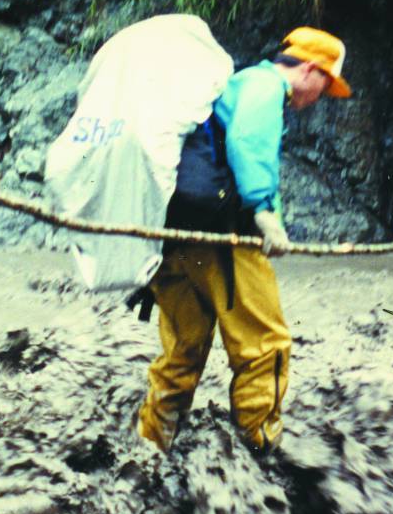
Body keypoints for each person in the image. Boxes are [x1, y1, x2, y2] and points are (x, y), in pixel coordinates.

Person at [135, 26, 352, 453]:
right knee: (266, 345)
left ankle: (151, 447)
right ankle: (259, 451)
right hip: (223, 235)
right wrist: (264, 211)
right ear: (310, 69)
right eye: (326, 86)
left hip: (173, 231)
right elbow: (248, 141)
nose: (322, 97)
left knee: (183, 348)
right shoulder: (264, 86)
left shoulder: (229, 87)